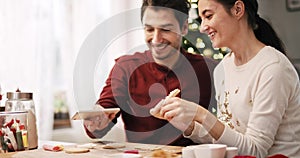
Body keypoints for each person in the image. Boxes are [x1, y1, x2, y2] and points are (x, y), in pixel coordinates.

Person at [154, 0, 300, 157]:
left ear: (237, 9)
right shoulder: (223, 68)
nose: (202, 27)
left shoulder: (273, 68)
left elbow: (255, 151)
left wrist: (201, 115)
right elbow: (228, 137)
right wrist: (188, 125)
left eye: (208, 16)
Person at [83, 0, 217, 146]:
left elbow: (231, 125)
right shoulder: (125, 68)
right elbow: (100, 121)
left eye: (166, 30)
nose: (156, 39)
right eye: (149, 30)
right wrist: (97, 121)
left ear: (184, 27)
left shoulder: (209, 69)